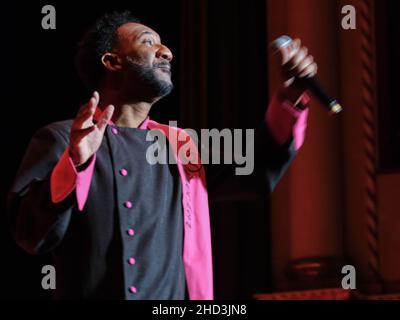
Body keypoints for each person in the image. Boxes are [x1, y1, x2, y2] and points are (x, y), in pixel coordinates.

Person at [7, 11, 316, 300]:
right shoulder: (62, 137)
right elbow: (29, 233)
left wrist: (291, 95)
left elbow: (258, 163)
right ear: (113, 61)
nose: (166, 51)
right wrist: (75, 162)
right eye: (147, 41)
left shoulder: (181, 146)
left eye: (163, 43)